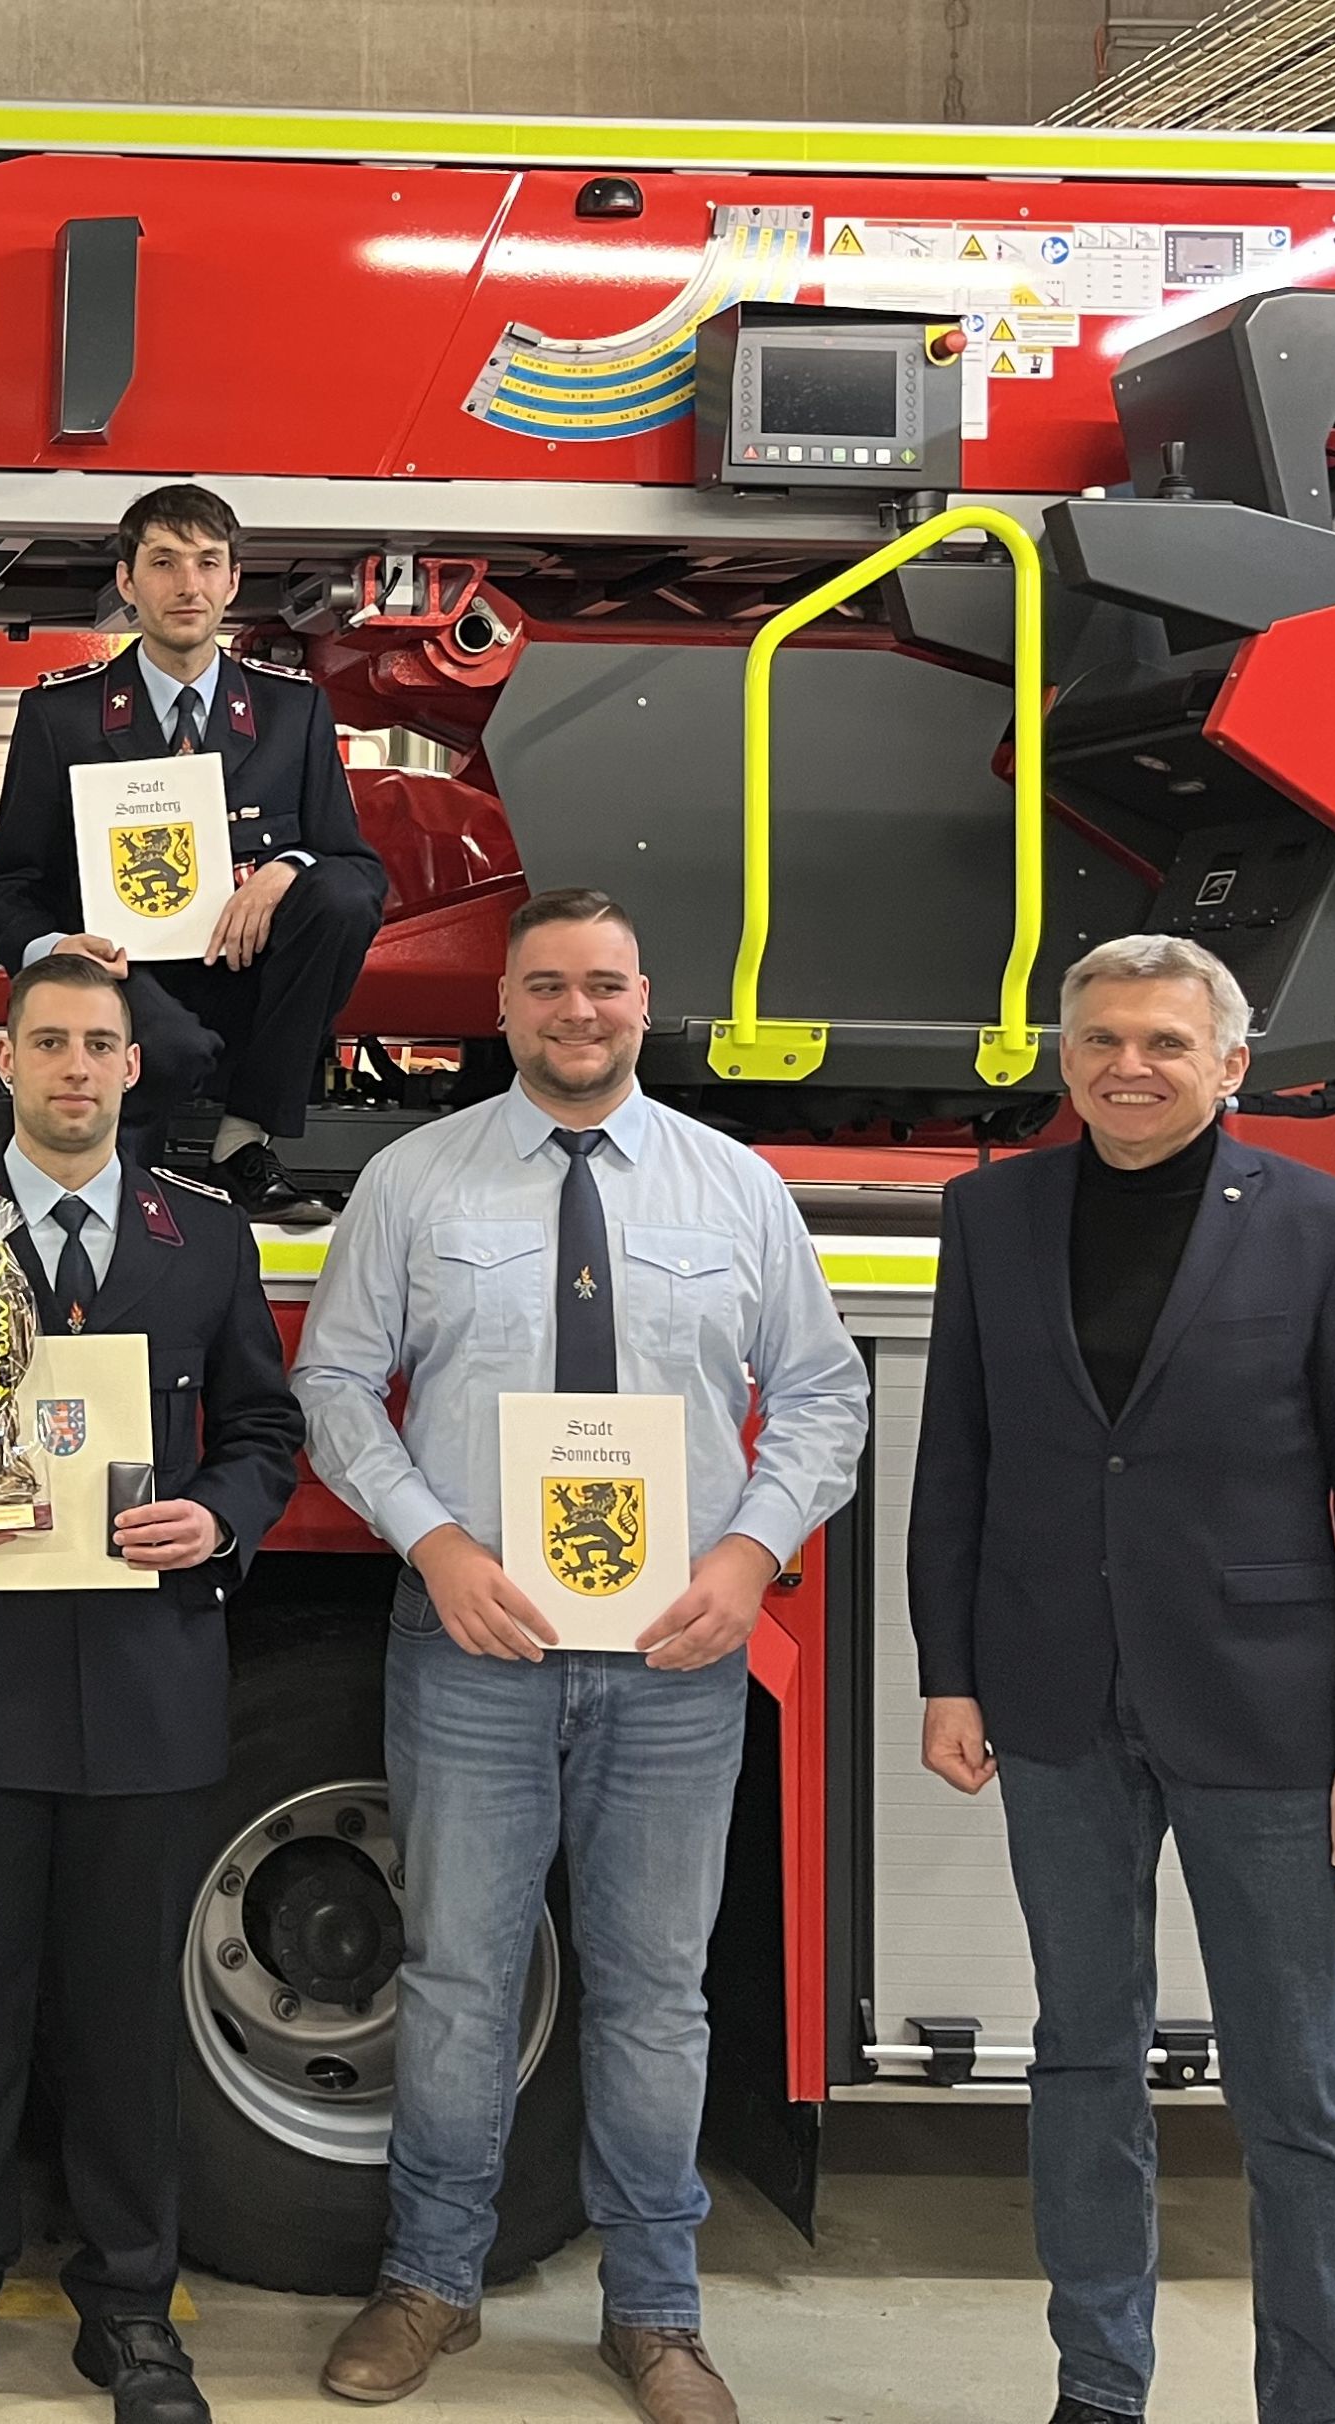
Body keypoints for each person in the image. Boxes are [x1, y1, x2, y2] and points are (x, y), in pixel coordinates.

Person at [290, 887, 864, 2424]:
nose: (578, 1013)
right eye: (546, 987)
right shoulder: (417, 1181)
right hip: (478, 1645)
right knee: (462, 1979)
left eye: (604, 986)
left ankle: (657, 2314)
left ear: (643, 998)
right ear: (505, 1009)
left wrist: (747, 1560)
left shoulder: (734, 1189)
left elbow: (821, 1400)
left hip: (675, 1662)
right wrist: (436, 1544)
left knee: (655, 1993)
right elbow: (337, 1385)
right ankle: (429, 2286)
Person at [910, 935, 1335, 2424]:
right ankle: (1098, 2384)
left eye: (1161, 1042)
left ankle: (1315, 2398)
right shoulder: (991, 1213)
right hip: (1055, 1699)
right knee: (1083, 2058)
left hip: (1268, 1714)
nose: (1127, 1067)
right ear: (1062, 1057)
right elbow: (958, 1462)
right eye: (1100, 1040)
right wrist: (950, 1673)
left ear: (1230, 1065)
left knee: (1295, 2090)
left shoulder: (1329, 1229)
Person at [0, 953, 302, 2424]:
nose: (76, 1067)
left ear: (134, 1068)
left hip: (145, 1690)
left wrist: (219, 1515)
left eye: (102, 1043)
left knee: (125, 2029)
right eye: (49, 1044)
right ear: (2, 1065)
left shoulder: (202, 1237)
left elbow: (267, 1431)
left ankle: (133, 2314)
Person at [0, 482, 387, 1222]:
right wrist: (60, 948)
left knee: (340, 895)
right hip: (120, 979)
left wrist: (286, 870)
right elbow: (6, 888)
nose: (187, 585)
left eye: (206, 562)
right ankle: (121, 1189)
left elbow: (356, 868)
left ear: (232, 580)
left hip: (247, 977)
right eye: (163, 563)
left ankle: (244, 1139)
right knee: (169, 1053)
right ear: (127, 583)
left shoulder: (294, 709)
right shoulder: (59, 715)